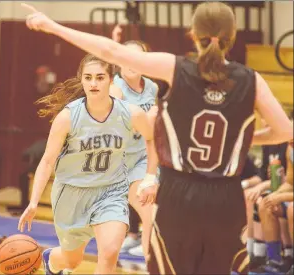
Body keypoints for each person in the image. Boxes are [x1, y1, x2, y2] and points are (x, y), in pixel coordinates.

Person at [21, 2, 293, 274]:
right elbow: (284, 131)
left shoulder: (176, 68)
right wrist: (239, 140)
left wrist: (52, 26)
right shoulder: (251, 80)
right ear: (232, 36)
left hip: (180, 191)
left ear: (192, 33)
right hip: (226, 197)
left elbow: (110, 51)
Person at [18, 54, 157, 275]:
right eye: (88, 77)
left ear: (112, 80)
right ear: (81, 80)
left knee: (110, 252)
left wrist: (150, 177)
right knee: (71, 261)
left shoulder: (131, 114)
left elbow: (153, 139)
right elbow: (47, 161)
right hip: (72, 194)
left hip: (111, 192)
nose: (93, 83)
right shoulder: (68, 117)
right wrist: (34, 201)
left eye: (100, 77)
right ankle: (52, 261)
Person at [110, 39, 158, 258]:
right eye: (125, 56)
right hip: (122, 163)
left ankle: (150, 251)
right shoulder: (115, 89)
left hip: (147, 158)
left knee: (155, 211)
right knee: (148, 211)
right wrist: (140, 121)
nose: (130, 62)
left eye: (135, 57)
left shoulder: (152, 87)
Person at [252, 142, 293, 274]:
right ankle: (274, 261)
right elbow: (290, 183)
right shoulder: (290, 148)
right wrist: (275, 195)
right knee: (266, 203)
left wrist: (283, 197)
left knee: (292, 209)